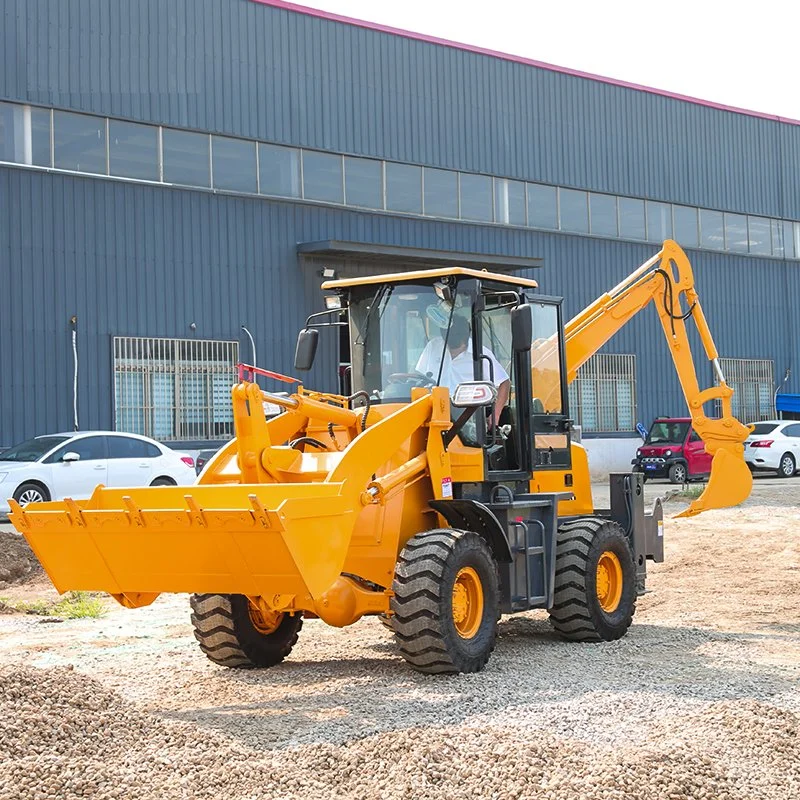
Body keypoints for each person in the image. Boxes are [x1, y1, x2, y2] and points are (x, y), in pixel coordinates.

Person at [415, 310, 511, 427]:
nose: (452, 350)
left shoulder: (480, 353)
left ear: (465, 338)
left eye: (456, 346)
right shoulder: (433, 347)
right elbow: (419, 377)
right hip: (433, 412)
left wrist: (496, 415)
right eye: (448, 342)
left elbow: (504, 382)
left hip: (467, 417)